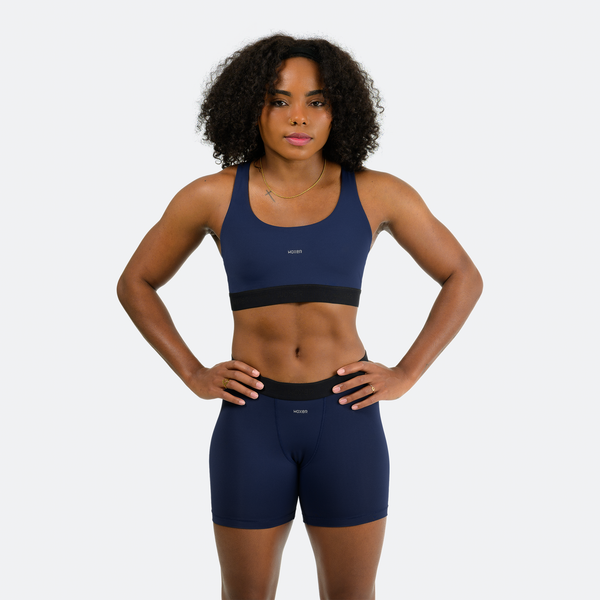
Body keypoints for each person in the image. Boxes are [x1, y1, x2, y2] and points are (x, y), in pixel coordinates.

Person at [117, 34, 483, 600]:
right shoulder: (211, 195)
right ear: (251, 107)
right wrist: (192, 373)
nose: (299, 117)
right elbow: (135, 283)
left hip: (347, 418)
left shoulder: (378, 193)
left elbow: (462, 276)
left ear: (339, 110)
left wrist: (406, 373)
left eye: (317, 101)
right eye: (279, 100)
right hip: (251, 420)